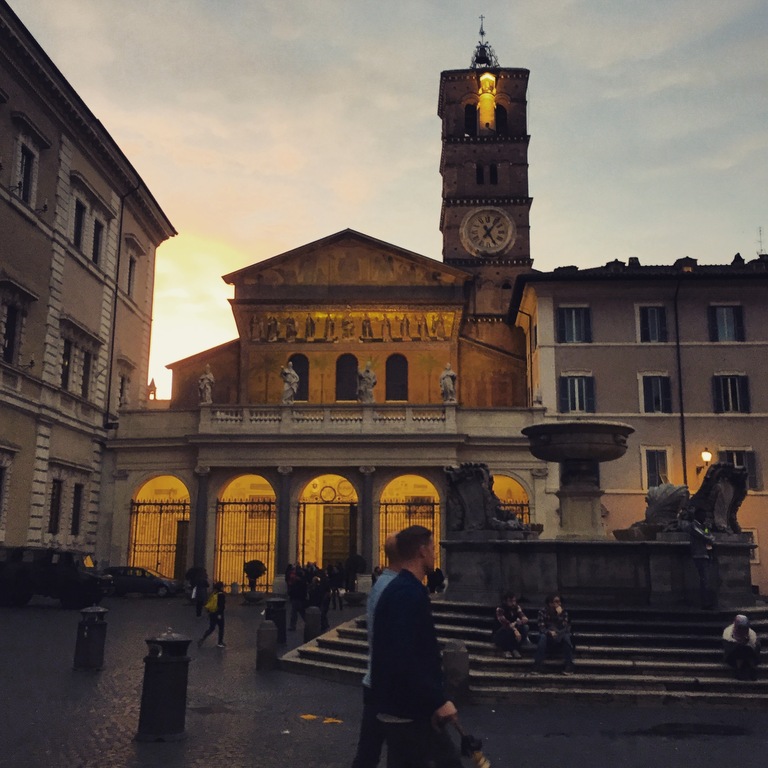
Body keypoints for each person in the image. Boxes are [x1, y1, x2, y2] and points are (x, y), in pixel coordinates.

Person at [370, 525, 463, 768]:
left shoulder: (403, 589)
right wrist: (437, 701)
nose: (435, 553)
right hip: (408, 710)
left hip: (406, 707)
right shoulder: (407, 593)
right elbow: (405, 657)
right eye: (432, 548)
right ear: (422, 551)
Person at [351, 535, 401, 768]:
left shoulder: (381, 585)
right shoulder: (396, 589)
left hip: (377, 683)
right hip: (388, 686)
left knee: (370, 751)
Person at [533, 593, 574, 675]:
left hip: (560, 635)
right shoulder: (542, 612)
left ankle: (569, 665)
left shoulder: (564, 612)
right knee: (542, 637)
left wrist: (559, 616)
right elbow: (541, 627)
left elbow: (564, 626)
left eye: (559, 602)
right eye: (556, 602)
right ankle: (537, 665)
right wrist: (549, 632)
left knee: (566, 637)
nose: (559, 604)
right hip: (548, 636)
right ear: (550, 603)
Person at [492, 592, 532, 658]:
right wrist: (515, 629)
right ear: (505, 601)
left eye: (514, 601)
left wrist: (521, 621)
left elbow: (524, 617)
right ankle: (506, 650)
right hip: (500, 633)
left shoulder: (516, 607)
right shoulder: (500, 609)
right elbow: (505, 623)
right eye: (510, 601)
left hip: (513, 631)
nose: (513, 603)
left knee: (525, 627)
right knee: (507, 630)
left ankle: (515, 649)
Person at [722, 614, 761, 680]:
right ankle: (739, 670)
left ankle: (751, 669)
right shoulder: (727, 633)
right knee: (739, 648)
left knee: (746, 648)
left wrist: (746, 642)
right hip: (733, 656)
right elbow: (729, 649)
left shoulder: (752, 634)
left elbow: (755, 648)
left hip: (749, 656)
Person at [198, 580, 226, 648]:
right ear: (221, 587)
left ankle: (203, 638)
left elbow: (210, 603)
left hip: (212, 613)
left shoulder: (214, 593)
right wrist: (219, 614)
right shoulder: (221, 595)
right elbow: (221, 606)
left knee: (211, 628)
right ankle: (220, 642)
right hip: (218, 614)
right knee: (221, 628)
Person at [288, 566, 308, 631]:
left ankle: (293, 626)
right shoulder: (302, 581)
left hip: (297, 598)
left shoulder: (299, 582)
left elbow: (294, 589)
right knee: (300, 613)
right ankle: (308, 623)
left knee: (297, 613)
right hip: (299, 598)